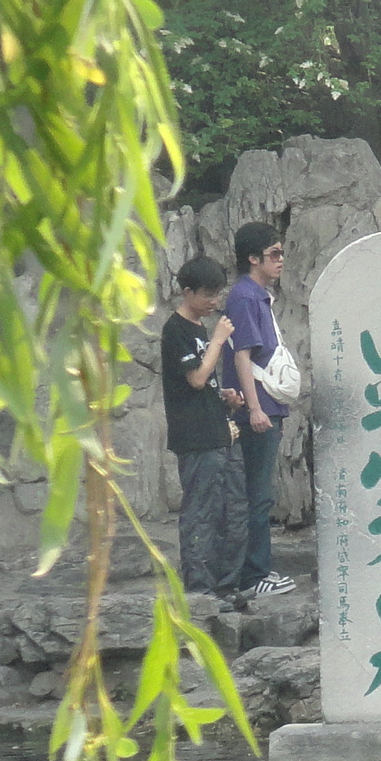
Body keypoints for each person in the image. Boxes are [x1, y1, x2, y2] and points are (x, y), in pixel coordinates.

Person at [161, 256, 250, 610]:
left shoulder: (200, 329)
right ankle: (200, 591)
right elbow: (195, 378)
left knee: (233, 509)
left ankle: (227, 586)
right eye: (208, 296)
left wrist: (226, 397)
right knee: (202, 511)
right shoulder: (177, 330)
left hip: (221, 432)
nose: (214, 302)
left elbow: (206, 383)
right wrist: (217, 340)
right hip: (196, 438)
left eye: (217, 295)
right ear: (188, 293)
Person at [220, 222, 297, 598]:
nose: (281, 261)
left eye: (282, 253)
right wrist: (253, 408)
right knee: (256, 492)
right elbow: (242, 355)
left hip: (268, 406)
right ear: (253, 259)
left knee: (260, 491)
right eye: (274, 254)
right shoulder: (246, 297)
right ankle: (253, 574)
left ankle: (254, 570)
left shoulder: (257, 296)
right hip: (258, 408)